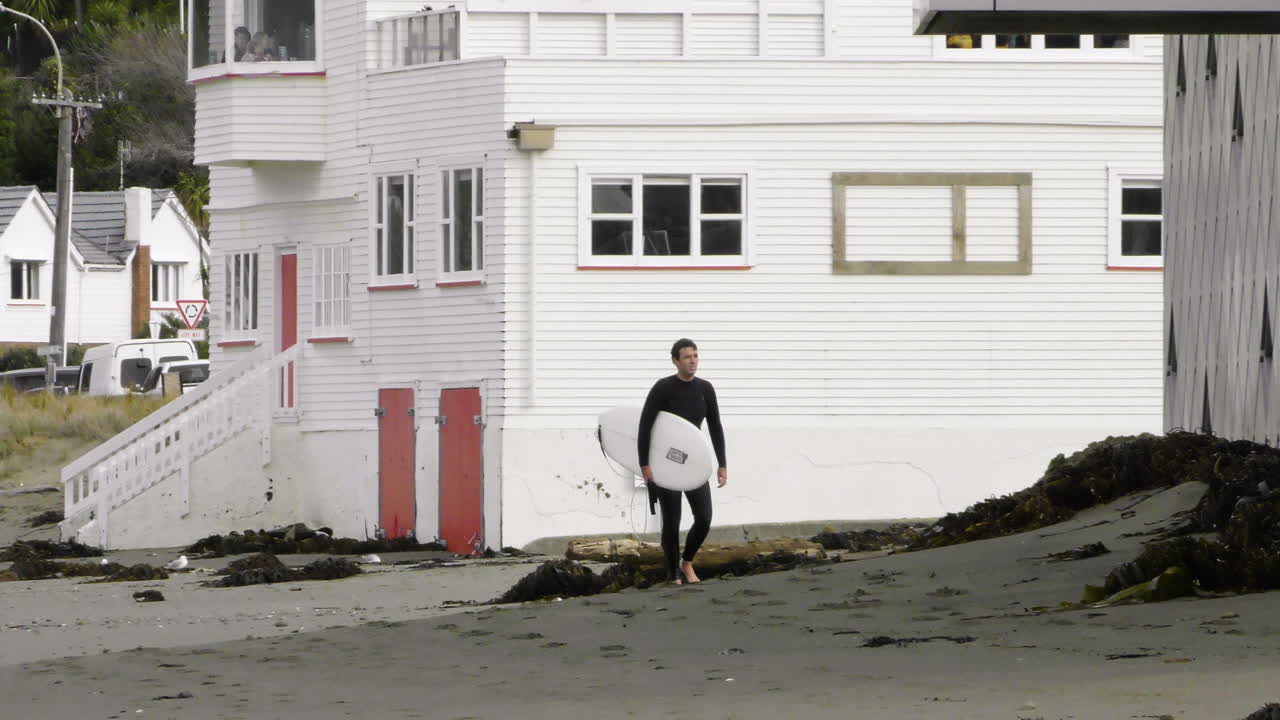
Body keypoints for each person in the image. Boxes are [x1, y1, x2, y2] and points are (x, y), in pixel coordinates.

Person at [638, 338, 728, 585]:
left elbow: (715, 426)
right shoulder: (663, 388)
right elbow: (645, 426)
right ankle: (673, 573)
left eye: (695, 356)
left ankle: (686, 562)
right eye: (687, 357)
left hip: (693, 462)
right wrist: (645, 464)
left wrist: (722, 463)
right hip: (666, 462)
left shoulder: (705, 389)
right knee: (672, 521)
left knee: (704, 517)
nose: (693, 361)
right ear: (675, 361)